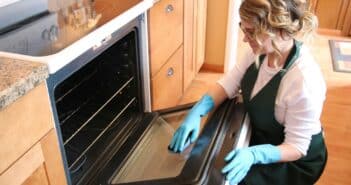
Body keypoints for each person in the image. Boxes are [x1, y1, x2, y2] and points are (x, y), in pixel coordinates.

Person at [168, 0, 328, 184]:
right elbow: (228, 84)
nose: (244, 38)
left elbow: (296, 147)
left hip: (292, 160)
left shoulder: (304, 81)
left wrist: (254, 154)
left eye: (251, 32)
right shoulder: (258, 53)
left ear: (280, 30)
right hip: (264, 136)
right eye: (243, 28)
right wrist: (199, 110)